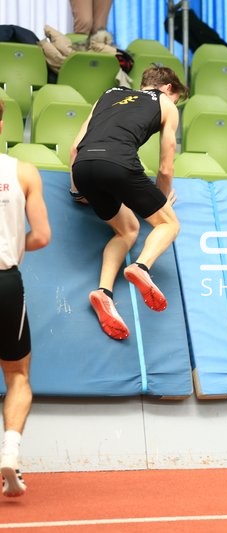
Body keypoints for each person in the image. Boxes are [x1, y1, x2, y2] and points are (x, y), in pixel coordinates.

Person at [69, 66, 187, 341]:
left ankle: (104, 292)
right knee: (169, 225)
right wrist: (161, 201)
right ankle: (141, 267)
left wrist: (77, 192)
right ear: (168, 88)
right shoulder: (165, 104)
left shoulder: (109, 94)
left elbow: (75, 148)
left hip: (84, 167)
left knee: (127, 230)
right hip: (118, 163)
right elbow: (166, 166)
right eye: (176, 98)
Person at [0, 98, 52, 497]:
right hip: (5, 281)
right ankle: (10, 451)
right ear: (2, 126)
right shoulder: (23, 171)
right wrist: (14, 247)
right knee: (17, 375)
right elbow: (42, 236)